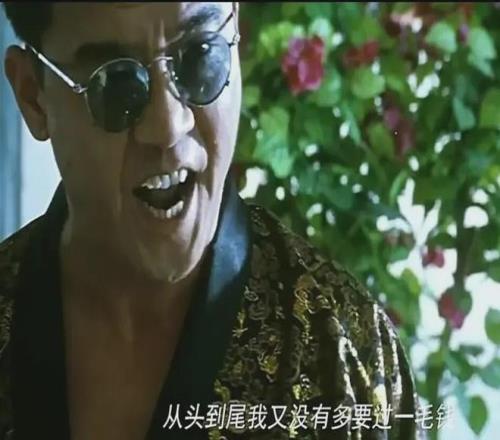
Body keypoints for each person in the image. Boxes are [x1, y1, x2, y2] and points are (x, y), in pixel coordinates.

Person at [0, 3, 425, 439]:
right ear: (33, 97)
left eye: (199, 56)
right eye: (116, 82)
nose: (168, 126)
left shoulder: (343, 349)